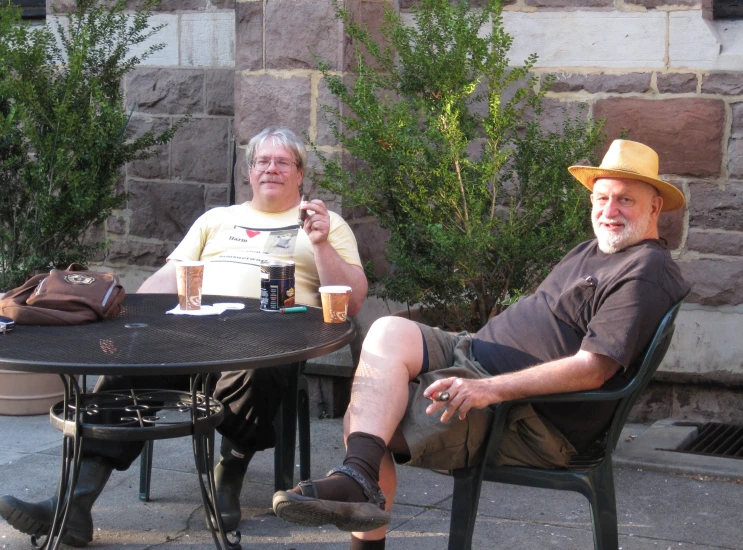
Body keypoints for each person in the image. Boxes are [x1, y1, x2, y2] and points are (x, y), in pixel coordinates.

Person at [271, 139, 690, 550]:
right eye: (601, 198)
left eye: (625, 201)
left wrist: (488, 389)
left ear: (655, 207)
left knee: (372, 419)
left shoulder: (644, 271)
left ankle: (358, 484)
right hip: (474, 355)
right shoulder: (595, 250)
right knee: (385, 333)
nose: (609, 211)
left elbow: (593, 368)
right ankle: (358, 476)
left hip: (526, 416)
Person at [0, 127, 368, 546]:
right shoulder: (216, 219)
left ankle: (228, 472)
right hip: (190, 332)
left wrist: (319, 245)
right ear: (249, 172)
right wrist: (121, 314)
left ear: (299, 174)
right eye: (263, 161)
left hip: (273, 336)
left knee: (258, 368)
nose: (271, 169)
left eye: (283, 162)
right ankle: (72, 506)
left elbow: (352, 300)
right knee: (125, 374)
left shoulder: (324, 223)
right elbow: (168, 277)